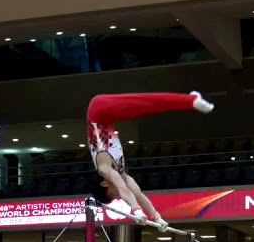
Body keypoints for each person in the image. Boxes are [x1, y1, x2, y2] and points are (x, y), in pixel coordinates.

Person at [86, 91, 215, 229]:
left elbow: (123, 190)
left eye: (113, 192)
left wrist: (136, 210)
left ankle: (191, 100)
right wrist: (157, 218)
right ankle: (191, 100)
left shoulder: (104, 168)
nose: (117, 192)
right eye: (115, 194)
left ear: (104, 184)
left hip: (98, 109)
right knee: (145, 107)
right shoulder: (122, 175)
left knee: (144, 103)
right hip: (109, 118)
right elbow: (138, 194)